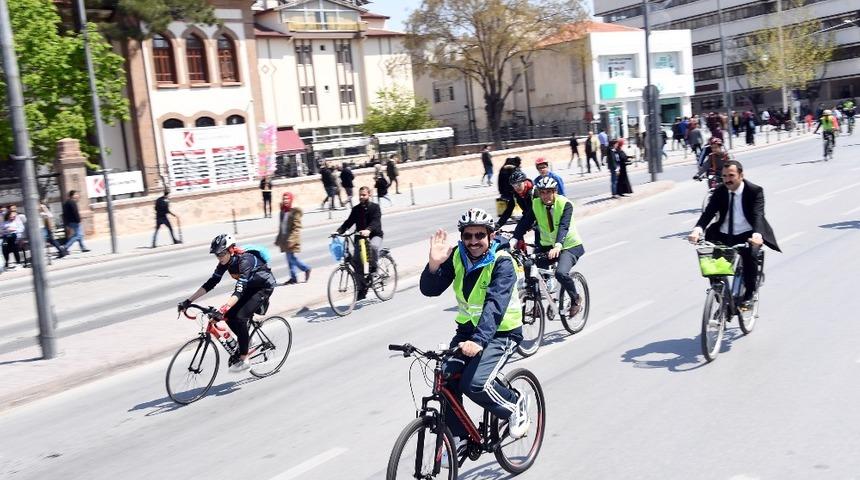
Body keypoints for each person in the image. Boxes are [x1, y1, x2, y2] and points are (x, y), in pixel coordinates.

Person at [419, 208, 530, 446]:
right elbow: (430, 289)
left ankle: (514, 407)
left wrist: (479, 341)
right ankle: (461, 436)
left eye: (479, 235)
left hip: (503, 333)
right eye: (467, 236)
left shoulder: (503, 262)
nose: (473, 242)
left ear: (490, 236)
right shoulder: (457, 256)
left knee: (474, 384)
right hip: (467, 332)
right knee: (445, 380)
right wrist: (433, 265)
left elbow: (495, 305)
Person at [178, 234, 277, 372]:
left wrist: (223, 309)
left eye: (222, 254)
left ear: (231, 250)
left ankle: (244, 359)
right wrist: (188, 301)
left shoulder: (245, 261)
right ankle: (246, 340)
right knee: (229, 316)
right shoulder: (225, 262)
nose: (219, 257)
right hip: (249, 288)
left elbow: (238, 291)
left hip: (263, 287)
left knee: (240, 318)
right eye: (217, 255)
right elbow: (210, 283)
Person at [688, 160, 780, 308]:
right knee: (711, 263)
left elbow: (758, 214)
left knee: (750, 257)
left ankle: (749, 294)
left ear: (741, 175)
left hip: (748, 234)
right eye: (724, 176)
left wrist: (757, 234)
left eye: (731, 175)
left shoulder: (754, 191)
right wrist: (698, 229)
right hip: (723, 234)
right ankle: (719, 293)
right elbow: (709, 212)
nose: (727, 180)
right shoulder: (720, 191)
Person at [512, 176, 586, 317]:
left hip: (569, 245)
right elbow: (525, 222)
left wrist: (558, 246)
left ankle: (576, 298)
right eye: (542, 192)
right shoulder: (536, 204)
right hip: (547, 246)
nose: (545, 196)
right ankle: (535, 303)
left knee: (560, 273)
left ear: (555, 192)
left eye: (548, 192)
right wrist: (514, 239)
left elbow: (564, 227)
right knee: (529, 265)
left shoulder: (565, 204)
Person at [335, 186, 383, 300]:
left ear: (369, 195)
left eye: (364, 195)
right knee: (357, 263)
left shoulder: (375, 208)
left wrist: (369, 230)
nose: (361, 197)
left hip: (374, 235)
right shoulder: (356, 209)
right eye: (360, 195)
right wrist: (338, 231)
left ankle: (374, 270)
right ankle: (362, 289)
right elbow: (349, 222)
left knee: (373, 247)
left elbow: (376, 221)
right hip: (360, 239)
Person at [275, 192, 310, 285]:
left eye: (287, 198)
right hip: (285, 238)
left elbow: (296, 227)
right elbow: (281, 226)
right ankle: (293, 278)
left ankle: (306, 268)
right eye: (284, 199)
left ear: (291, 199)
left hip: (292, 238)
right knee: (289, 258)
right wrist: (278, 239)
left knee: (291, 258)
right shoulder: (282, 211)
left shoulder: (294, 212)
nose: (285, 200)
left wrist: (292, 240)